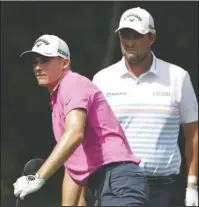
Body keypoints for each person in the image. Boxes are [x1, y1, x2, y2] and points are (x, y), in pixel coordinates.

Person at [13, 34, 148, 206]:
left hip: (118, 178)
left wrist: (39, 177)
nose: (38, 67)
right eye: (35, 62)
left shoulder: (72, 83)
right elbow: (73, 164)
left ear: (65, 63)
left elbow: (75, 133)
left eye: (45, 60)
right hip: (106, 185)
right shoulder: (58, 101)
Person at [92, 7, 198, 207]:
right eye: (125, 34)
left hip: (163, 190)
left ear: (151, 37)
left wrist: (192, 185)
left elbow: (193, 133)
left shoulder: (177, 77)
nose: (129, 42)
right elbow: (89, 137)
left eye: (137, 35)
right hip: (116, 188)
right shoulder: (102, 80)